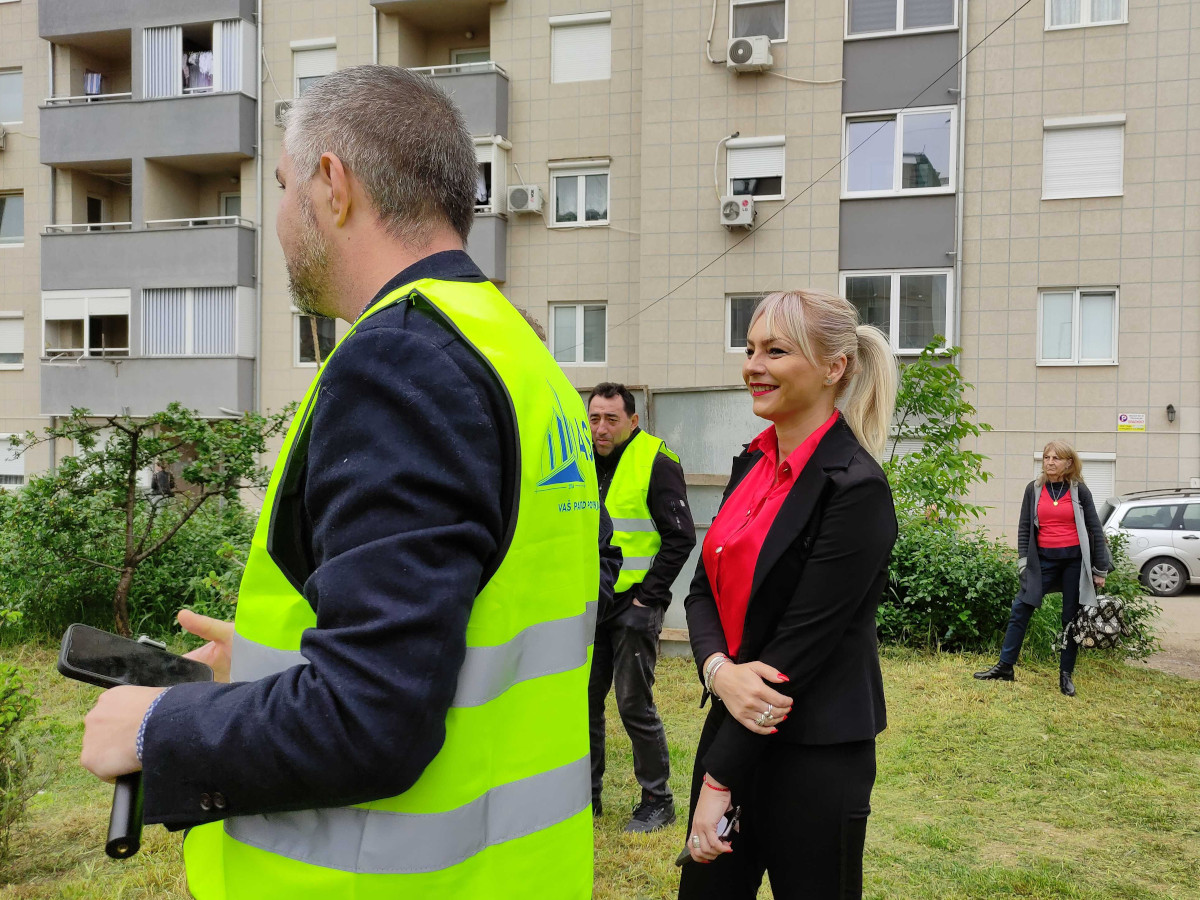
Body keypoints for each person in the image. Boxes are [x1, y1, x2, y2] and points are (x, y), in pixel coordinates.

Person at [78, 65, 604, 899]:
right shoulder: (516, 353)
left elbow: (369, 719)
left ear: (332, 183)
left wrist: (160, 726)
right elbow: (467, 625)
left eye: (284, 187)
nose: (281, 220)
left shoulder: (398, 360)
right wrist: (261, 667)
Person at [680, 291, 898, 899]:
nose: (754, 364)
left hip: (814, 755)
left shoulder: (855, 489)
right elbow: (702, 589)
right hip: (732, 725)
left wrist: (720, 783)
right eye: (750, 349)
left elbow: (797, 650)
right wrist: (719, 671)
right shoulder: (749, 465)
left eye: (776, 351)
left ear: (834, 368)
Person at [587, 382, 696, 832]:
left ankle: (657, 799)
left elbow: (681, 537)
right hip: (591, 602)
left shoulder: (656, 460)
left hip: (634, 606)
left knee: (634, 704)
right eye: (594, 418)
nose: (601, 428)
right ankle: (584, 797)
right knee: (583, 704)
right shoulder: (578, 458)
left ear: (633, 421)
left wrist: (647, 596)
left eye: (612, 419)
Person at [974, 441, 1113, 696]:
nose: (1050, 462)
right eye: (1047, 457)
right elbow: (1025, 527)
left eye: (1056, 458)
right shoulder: (1035, 489)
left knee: (1070, 619)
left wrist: (1099, 569)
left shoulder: (1079, 490)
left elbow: (1095, 529)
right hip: (1043, 562)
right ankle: (1005, 667)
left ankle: (1065, 675)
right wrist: (1024, 563)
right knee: (1020, 608)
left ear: (1068, 463)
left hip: (1074, 563)